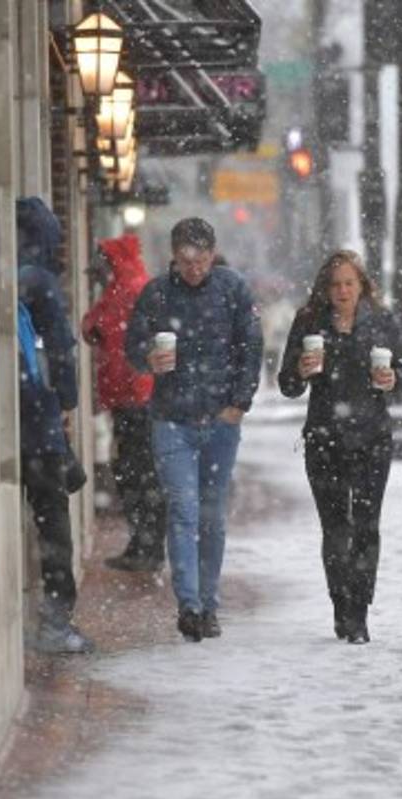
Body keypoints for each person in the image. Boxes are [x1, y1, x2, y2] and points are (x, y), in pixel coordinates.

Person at [125, 218, 263, 642]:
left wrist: (239, 403)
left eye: (201, 259)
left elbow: (250, 345)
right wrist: (149, 358)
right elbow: (132, 346)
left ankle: (210, 602)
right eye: (185, 260)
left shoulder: (232, 289)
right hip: (172, 420)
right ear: (173, 255)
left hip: (220, 421)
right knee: (184, 511)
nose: (194, 268)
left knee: (211, 515)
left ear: (212, 253)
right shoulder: (157, 293)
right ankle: (189, 605)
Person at [278, 250, 402, 644]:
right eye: (335, 284)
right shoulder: (309, 322)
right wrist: (300, 371)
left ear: (362, 286)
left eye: (349, 284)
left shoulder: (381, 322)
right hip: (324, 437)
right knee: (336, 528)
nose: (342, 291)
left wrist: (392, 380)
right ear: (325, 288)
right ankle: (341, 604)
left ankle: (359, 610)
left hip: (372, 437)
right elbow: (287, 384)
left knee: (367, 527)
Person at [16, 196, 93, 655]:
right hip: (38, 416)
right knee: (53, 520)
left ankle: (49, 617)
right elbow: (61, 347)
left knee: (47, 512)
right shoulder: (40, 282)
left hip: (20, 417)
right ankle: (56, 619)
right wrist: (66, 399)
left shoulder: (8, 275)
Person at [81, 233, 166, 573]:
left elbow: (94, 326)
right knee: (140, 473)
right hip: (135, 397)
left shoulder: (124, 291)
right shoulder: (131, 287)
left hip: (135, 399)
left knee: (136, 473)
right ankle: (146, 543)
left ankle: (145, 544)